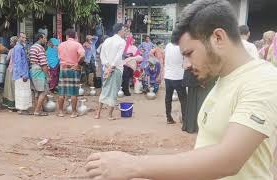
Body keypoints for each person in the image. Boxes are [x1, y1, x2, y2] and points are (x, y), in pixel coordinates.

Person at [85, 0, 277, 179]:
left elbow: (229, 160)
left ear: (218, 37)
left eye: (189, 54)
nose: (185, 65)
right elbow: (208, 147)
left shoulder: (262, 80)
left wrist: (133, 165)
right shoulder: (224, 79)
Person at [94, 23, 127, 120]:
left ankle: (98, 114)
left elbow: (102, 55)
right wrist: (111, 67)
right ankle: (109, 115)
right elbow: (118, 56)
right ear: (120, 30)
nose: (125, 32)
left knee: (104, 90)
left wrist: (107, 66)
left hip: (107, 68)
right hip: (116, 69)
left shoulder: (107, 40)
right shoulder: (122, 41)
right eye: (124, 30)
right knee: (113, 92)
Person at [57, 29, 85, 118]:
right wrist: (77, 63)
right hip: (73, 69)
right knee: (73, 92)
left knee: (61, 92)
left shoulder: (60, 45)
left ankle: (61, 112)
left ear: (67, 36)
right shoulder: (77, 44)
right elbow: (83, 55)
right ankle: (73, 112)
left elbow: (59, 57)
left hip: (63, 69)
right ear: (75, 36)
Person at [164, 42, 187, 124]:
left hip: (168, 76)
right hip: (178, 76)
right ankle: (184, 120)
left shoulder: (168, 46)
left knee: (168, 98)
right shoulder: (182, 46)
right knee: (183, 99)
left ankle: (168, 118)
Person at [29, 33, 49, 116]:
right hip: (38, 71)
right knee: (44, 91)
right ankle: (37, 111)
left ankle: (36, 109)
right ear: (40, 38)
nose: (46, 40)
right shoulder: (40, 48)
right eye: (45, 38)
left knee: (35, 91)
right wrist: (47, 76)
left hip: (32, 70)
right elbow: (43, 64)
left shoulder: (32, 47)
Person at [13, 32, 32, 115]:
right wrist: (22, 74)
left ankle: (23, 109)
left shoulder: (21, 47)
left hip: (24, 73)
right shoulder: (18, 48)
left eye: (25, 38)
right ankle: (22, 109)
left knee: (24, 91)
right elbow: (17, 62)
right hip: (21, 75)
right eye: (22, 37)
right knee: (22, 92)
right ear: (18, 38)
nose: (24, 39)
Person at [3, 36, 18, 110]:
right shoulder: (20, 49)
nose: (10, 43)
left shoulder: (12, 50)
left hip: (11, 71)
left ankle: (11, 104)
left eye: (11, 42)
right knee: (16, 87)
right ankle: (17, 104)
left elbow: (7, 60)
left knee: (10, 87)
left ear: (15, 42)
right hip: (18, 72)